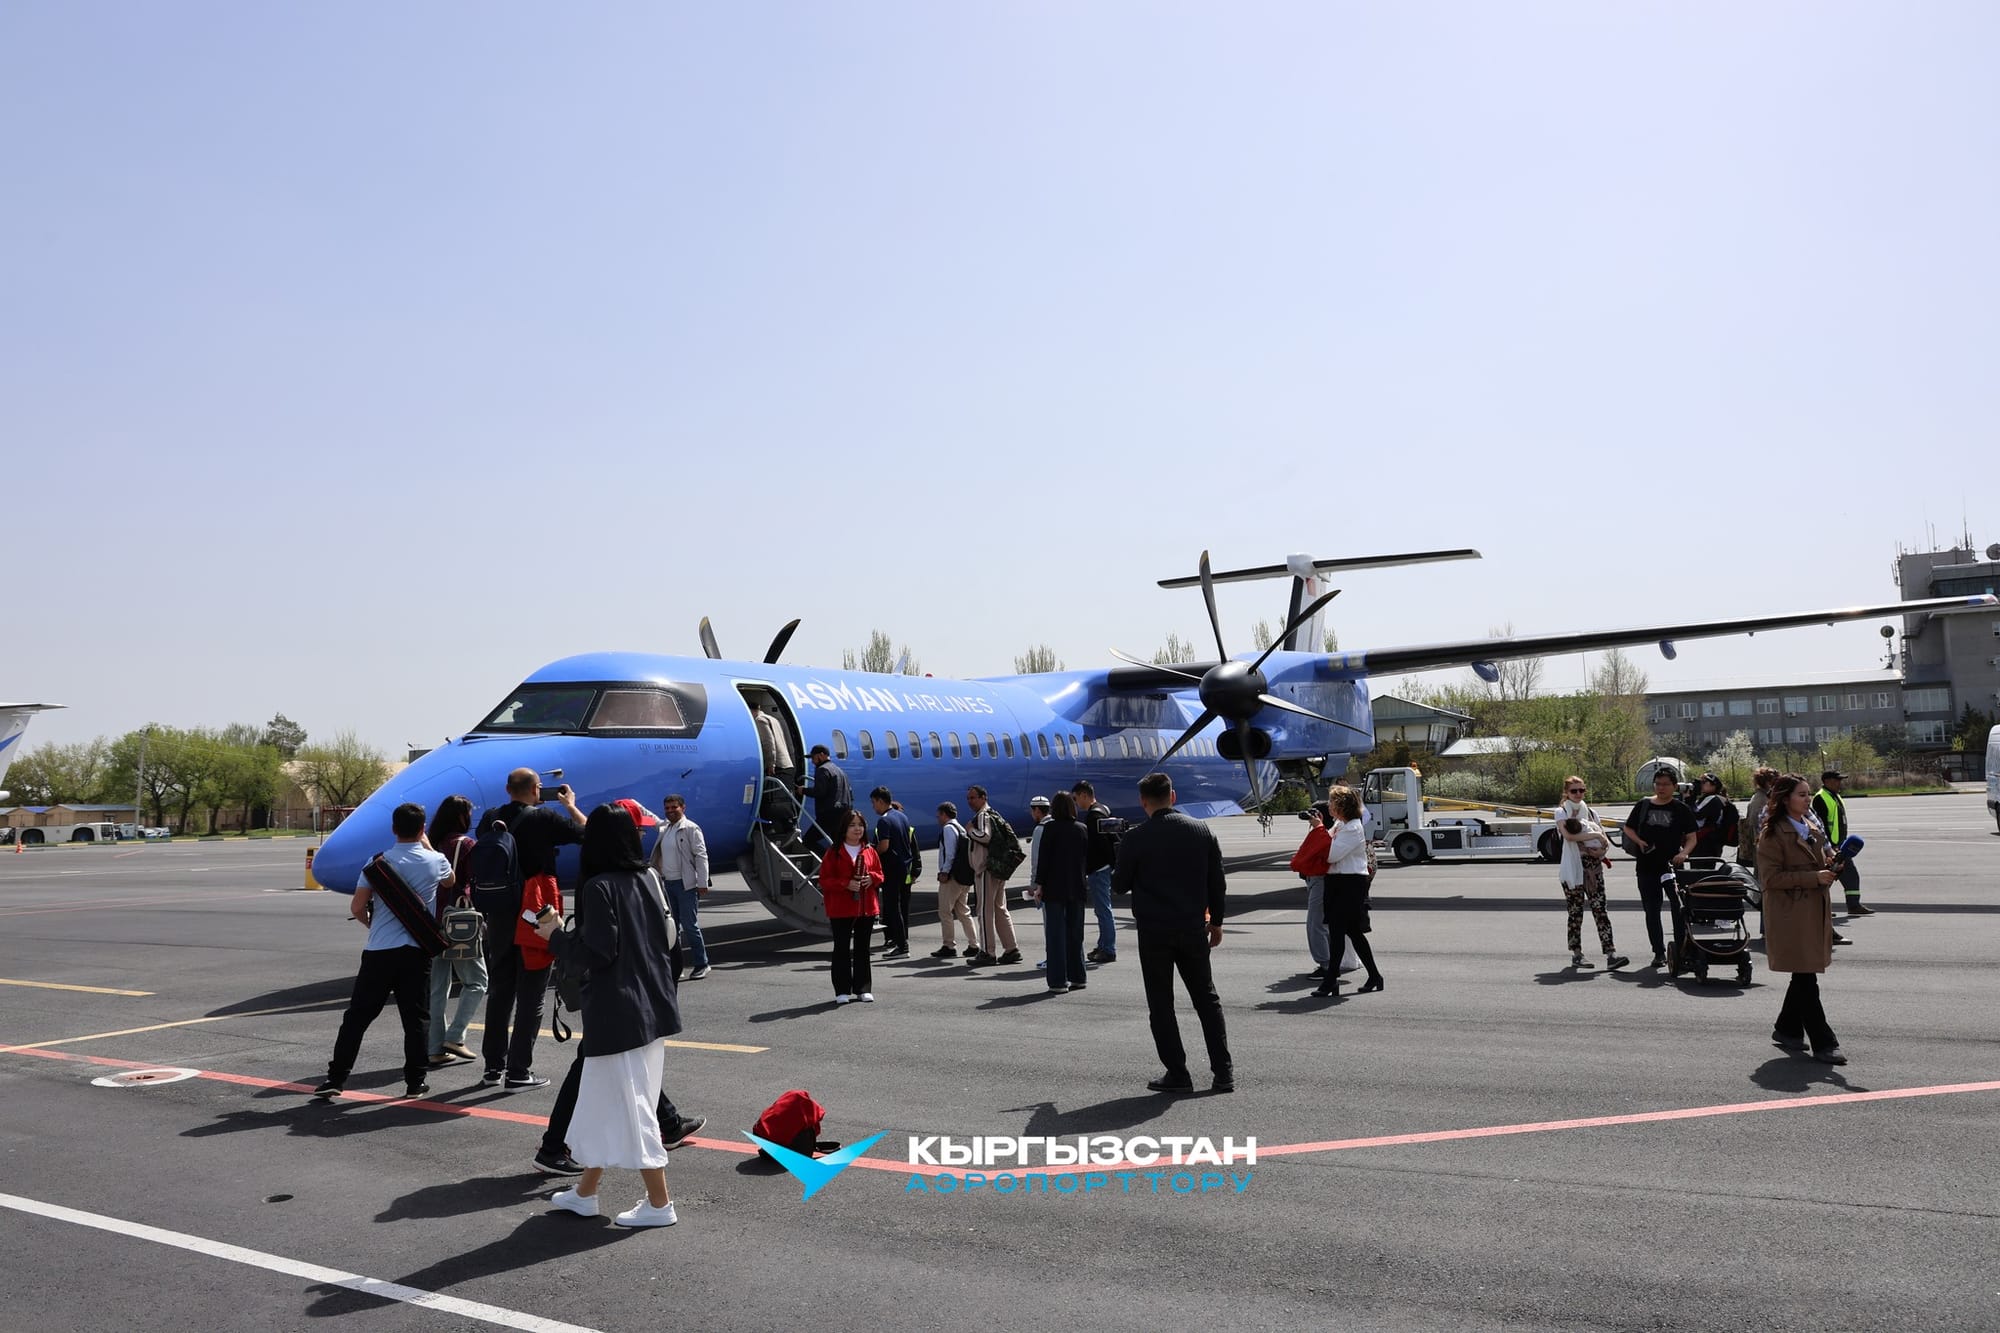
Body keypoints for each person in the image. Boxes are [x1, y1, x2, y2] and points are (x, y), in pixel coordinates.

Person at [534, 799, 706, 1176]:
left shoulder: (598, 887)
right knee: (629, 1072)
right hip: (652, 993)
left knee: (597, 1071)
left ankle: (556, 1148)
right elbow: (667, 937)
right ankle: (664, 1127)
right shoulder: (649, 877)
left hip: (616, 1001)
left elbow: (598, 952)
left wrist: (555, 937)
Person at [313, 802, 450, 1101]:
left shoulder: (377, 863)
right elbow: (450, 880)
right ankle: (415, 1082)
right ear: (422, 828)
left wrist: (371, 925)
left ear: (393, 829)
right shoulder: (436, 861)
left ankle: (336, 1078)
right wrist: (427, 845)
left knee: (357, 1018)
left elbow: (357, 907)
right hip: (416, 950)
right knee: (416, 1020)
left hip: (379, 951)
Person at [1113, 772, 1233, 1094]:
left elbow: (1119, 885)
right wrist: (1217, 921)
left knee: (1161, 1003)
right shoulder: (1201, 830)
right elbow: (1217, 882)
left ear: (1143, 802)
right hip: (1192, 927)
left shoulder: (1136, 838)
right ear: (1173, 796)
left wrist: (1121, 853)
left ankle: (1178, 1072)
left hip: (1154, 931)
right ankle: (1223, 1071)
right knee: (1206, 999)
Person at [476, 768, 585, 1091]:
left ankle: (493, 1067)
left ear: (507, 789)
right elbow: (587, 833)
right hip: (535, 911)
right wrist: (570, 805)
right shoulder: (544, 818)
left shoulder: (491, 818)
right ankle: (518, 1071)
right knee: (533, 991)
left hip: (500, 913)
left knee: (500, 991)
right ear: (536, 789)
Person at [1759, 774, 1845, 1064]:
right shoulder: (1772, 834)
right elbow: (1770, 879)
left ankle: (1787, 1027)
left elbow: (1818, 867)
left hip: (1813, 910)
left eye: (1808, 794)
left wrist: (1832, 868)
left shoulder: (1811, 827)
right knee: (1807, 977)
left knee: (1803, 974)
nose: (1808, 799)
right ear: (1786, 800)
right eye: (1802, 794)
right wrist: (1813, 877)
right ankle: (1824, 1042)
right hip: (1790, 914)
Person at [424, 796, 489, 1067]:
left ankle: (434, 1048)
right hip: (459, 922)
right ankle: (455, 1035)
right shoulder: (466, 845)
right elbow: (475, 881)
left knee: (438, 988)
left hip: (432, 921)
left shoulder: (433, 844)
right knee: (478, 981)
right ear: (462, 817)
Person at [1311, 786, 1384, 998]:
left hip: (1349, 883)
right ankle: (1374, 976)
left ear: (1342, 806)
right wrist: (1321, 828)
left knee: (1338, 932)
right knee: (1352, 932)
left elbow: (1331, 855)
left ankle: (1330, 981)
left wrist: (1319, 829)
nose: (1329, 805)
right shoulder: (1341, 824)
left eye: (1332, 802)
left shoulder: (1352, 828)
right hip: (1338, 882)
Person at [1622, 767, 1697, 968]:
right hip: (1646, 866)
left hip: (1672, 866)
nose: (1661, 788)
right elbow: (1628, 827)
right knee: (1652, 910)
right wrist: (1638, 841)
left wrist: (1684, 853)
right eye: (1658, 784)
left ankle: (1681, 950)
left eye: (1665, 784)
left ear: (1675, 786)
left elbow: (1692, 837)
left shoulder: (1681, 809)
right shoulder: (1643, 805)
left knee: (1678, 908)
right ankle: (1659, 952)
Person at [1554, 776, 1627, 971]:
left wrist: (1601, 850)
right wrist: (1594, 836)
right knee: (1575, 912)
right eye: (1574, 791)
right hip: (1573, 867)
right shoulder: (1561, 812)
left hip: (1593, 868)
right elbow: (1569, 836)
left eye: (1582, 790)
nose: (1578, 794)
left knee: (1600, 909)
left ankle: (1611, 954)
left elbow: (1605, 840)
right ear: (1566, 793)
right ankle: (1577, 954)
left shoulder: (1592, 813)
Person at [819, 810, 881, 1003]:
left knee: (863, 949)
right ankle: (842, 990)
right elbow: (824, 880)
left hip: (866, 908)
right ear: (844, 829)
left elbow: (880, 873)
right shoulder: (834, 852)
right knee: (841, 949)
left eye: (860, 825)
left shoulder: (869, 850)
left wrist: (872, 878)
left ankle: (863, 988)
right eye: (852, 825)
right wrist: (845, 884)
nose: (857, 829)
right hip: (841, 908)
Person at [652, 793, 712, 980]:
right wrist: (635, 805)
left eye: (674, 807)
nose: (670, 811)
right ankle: (676, 966)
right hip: (668, 884)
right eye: (667, 808)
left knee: (690, 926)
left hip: (686, 885)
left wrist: (702, 882)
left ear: (683, 808)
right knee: (672, 928)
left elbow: (701, 856)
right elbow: (651, 818)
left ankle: (702, 964)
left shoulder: (691, 828)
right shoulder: (666, 828)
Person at [1033, 792, 1089, 992]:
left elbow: (1044, 860)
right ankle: (1078, 976)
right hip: (1077, 886)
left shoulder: (1050, 829)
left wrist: (1039, 886)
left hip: (1054, 887)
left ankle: (1058, 981)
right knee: (1075, 934)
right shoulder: (1082, 829)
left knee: (1055, 935)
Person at [963, 785, 1020, 967]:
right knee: (1000, 908)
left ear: (983, 797)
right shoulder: (994, 814)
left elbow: (985, 837)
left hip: (987, 870)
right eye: (968, 798)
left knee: (984, 912)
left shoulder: (982, 816)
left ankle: (988, 952)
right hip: (997, 869)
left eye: (973, 797)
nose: (970, 801)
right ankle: (1011, 948)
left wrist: (970, 831)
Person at [1812, 771, 1871, 916]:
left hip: (1840, 844)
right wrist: (1829, 847)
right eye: (1836, 780)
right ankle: (1820, 907)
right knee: (1827, 878)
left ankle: (1853, 905)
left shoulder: (1835, 796)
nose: (1840, 783)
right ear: (1827, 781)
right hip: (1831, 846)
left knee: (1849, 875)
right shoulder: (1820, 798)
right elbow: (1820, 825)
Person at [1073, 780, 1119, 964]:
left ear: (1084, 795)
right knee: (1102, 909)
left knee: (1103, 910)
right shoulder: (1103, 809)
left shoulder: (1093, 816)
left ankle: (1108, 949)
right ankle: (1103, 945)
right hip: (1105, 867)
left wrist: (1087, 866)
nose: (1076, 803)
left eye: (1076, 798)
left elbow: (1097, 846)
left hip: (1098, 869)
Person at [930, 802, 978, 959]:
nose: (937, 818)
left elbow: (950, 853)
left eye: (939, 815)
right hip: (963, 877)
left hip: (952, 878)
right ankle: (974, 944)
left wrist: (945, 872)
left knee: (945, 912)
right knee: (963, 912)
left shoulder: (948, 829)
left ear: (945, 814)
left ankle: (949, 945)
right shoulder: (960, 828)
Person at [1289, 806, 1333, 978]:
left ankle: (1326, 965)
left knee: (1315, 924)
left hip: (1319, 880)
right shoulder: (1327, 832)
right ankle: (1329, 962)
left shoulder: (1323, 834)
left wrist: (1318, 826)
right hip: (1318, 880)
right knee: (1322, 923)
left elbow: (1301, 858)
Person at [871, 787, 915, 959]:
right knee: (897, 907)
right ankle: (901, 944)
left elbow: (884, 846)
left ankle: (902, 946)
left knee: (892, 909)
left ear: (881, 801)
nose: (873, 807)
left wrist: (871, 852)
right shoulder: (902, 816)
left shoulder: (884, 821)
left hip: (891, 869)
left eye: (874, 803)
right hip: (904, 867)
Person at [803, 744, 852, 854]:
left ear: (821, 755)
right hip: (844, 812)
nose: (813, 762)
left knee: (808, 840)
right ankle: (839, 861)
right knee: (838, 845)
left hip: (829, 814)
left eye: (813, 758)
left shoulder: (822, 770)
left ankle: (828, 860)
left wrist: (804, 791)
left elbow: (820, 791)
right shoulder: (839, 770)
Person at [1025, 795, 1052, 969]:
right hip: (1064, 883)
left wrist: (1033, 885)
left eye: (1032, 810)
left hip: (1047, 884)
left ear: (1037, 810)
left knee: (1049, 924)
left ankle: (1052, 958)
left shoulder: (1040, 829)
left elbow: (1036, 860)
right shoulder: (1058, 825)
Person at [1737, 767, 1778, 874]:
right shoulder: (1762, 800)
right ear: (1768, 783)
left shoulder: (1760, 797)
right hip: (1763, 846)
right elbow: (1757, 825)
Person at [755, 704, 799, 794]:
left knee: (774, 797)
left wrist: (771, 764)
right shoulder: (773, 719)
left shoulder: (760, 720)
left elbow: (768, 744)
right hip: (786, 764)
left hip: (777, 767)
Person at [1691, 772, 1735, 860]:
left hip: (1706, 843)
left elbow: (1697, 814)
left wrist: (1690, 798)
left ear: (1714, 785)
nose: (1701, 784)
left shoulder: (1713, 799)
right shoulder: (1707, 798)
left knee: (1701, 867)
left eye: (1704, 782)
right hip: (1708, 841)